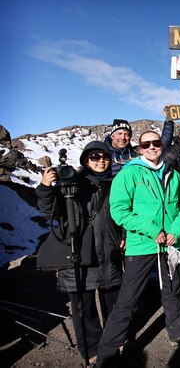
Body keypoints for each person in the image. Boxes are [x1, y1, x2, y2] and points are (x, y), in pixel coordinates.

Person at [96, 131, 180, 367]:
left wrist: (176, 230)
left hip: (170, 245)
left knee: (172, 292)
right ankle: (107, 354)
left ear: (161, 145)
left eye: (155, 143)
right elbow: (119, 210)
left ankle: (178, 335)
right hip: (141, 245)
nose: (151, 147)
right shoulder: (129, 173)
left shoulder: (172, 174)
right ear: (139, 148)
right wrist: (151, 230)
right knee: (128, 299)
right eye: (146, 144)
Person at [35, 141, 124, 364]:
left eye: (104, 156)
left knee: (113, 302)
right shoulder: (72, 182)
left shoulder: (116, 184)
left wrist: (124, 235)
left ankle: (113, 343)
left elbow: (123, 212)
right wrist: (46, 187)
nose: (101, 160)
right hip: (79, 252)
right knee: (84, 307)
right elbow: (50, 211)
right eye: (94, 156)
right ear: (86, 160)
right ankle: (92, 349)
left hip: (110, 250)